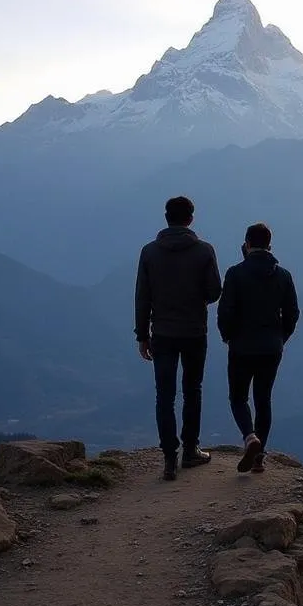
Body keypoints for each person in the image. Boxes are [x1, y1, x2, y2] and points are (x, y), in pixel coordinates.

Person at [135, 195, 222, 481]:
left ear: (166, 217)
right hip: (195, 331)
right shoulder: (204, 251)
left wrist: (142, 335)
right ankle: (190, 450)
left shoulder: (149, 252)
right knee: (192, 390)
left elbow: (142, 297)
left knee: (164, 396)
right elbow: (213, 292)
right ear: (191, 219)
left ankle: (169, 458)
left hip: (161, 332)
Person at [217, 222, 300, 473]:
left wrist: (228, 336)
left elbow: (225, 312)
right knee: (263, 399)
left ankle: (249, 437)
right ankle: (259, 456)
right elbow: (293, 313)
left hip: (241, 346)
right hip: (271, 347)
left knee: (238, 397)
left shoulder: (235, 273)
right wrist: (280, 337)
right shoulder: (283, 275)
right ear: (270, 245)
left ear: (247, 244)